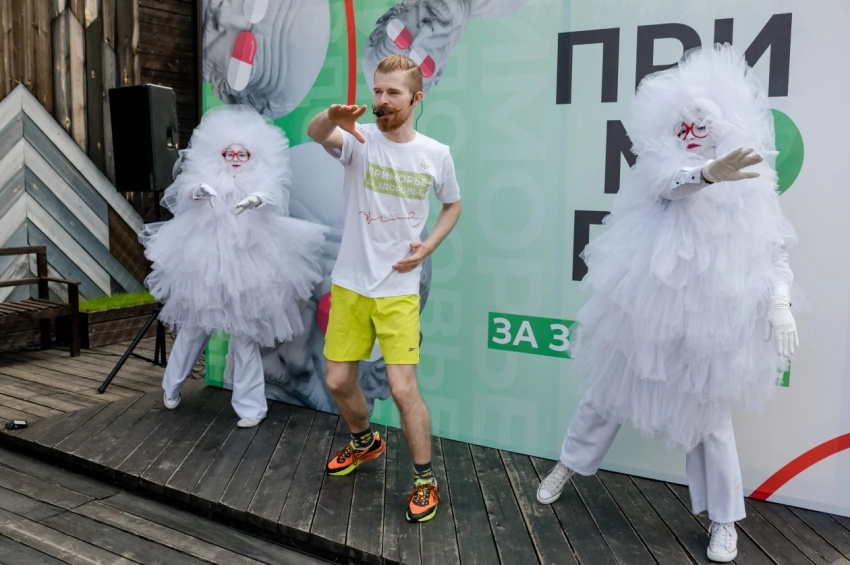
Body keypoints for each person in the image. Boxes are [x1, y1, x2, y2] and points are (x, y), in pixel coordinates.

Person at [535, 44, 803, 563]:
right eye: (688, 120)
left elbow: (773, 250)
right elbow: (667, 185)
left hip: (713, 316)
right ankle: (568, 464)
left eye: (706, 122)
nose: (694, 129)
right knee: (607, 393)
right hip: (646, 302)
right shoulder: (663, 159)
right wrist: (706, 174)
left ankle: (724, 520)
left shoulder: (751, 180)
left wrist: (780, 300)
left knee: (711, 421)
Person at [306, 53, 462, 523]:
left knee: (402, 389)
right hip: (351, 284)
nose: (382, 99)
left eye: (393, 92)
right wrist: (330, 117)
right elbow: (316, 133)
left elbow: (452, 205)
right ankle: (364, 441)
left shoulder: (436, 154)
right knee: (337, 381)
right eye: (377, 90)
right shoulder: (359, 139)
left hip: (398, 287)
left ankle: (425, 481)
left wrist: (428, 246)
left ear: (416, 99)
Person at [139, 104, 327, 428]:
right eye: (229, 153)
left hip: (250, 266)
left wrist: (259, 198)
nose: (236, 158)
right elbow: (186, 193)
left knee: (244, 338)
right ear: (220, 154)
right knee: (194, 329)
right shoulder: (206, 175)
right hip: (206, 263)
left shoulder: (263, 178)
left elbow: (272, 195)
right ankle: (171, 385)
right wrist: (198, 191)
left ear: (254, 155)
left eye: (243, 153)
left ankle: (251, 407)